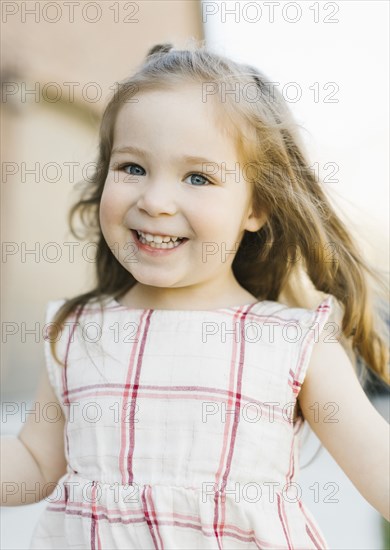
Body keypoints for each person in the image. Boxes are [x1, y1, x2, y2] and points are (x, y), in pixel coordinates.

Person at [1, 42, 389, 549]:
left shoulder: (292, 341)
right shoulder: (78, 333)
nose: (156, 201)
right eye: (133, 168)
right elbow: (34, 464)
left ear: (257, 208)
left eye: (198, 177)